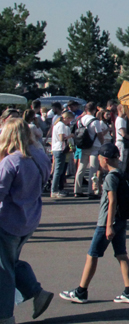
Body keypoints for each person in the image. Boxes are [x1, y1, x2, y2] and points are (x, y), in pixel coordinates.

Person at [60, 143, 129, 305]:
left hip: (106, 222)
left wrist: (108, 225)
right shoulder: (122, 175)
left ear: (105, 159)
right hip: (121, 220)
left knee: (92, 255)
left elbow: (112, 201)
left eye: (100, 159)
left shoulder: (110, 177)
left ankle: (81, 291)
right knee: (121, 254)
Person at [0, 118, 54, 322]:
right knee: (10, 262)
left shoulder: (11, 161)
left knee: (4, 270)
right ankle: (36, 292)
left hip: (7, 221)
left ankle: (5, 316)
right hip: (29, 219)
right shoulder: (40, 156)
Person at [74, 102, 108, 199]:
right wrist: (102, 144)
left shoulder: (80, 120)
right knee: (93, 169)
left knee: (81, 168)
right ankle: (92, 191)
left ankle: (77, 190)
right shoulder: (95, 121)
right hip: (94, 146)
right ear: (94, 110)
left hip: (84, 146)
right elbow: (99, 134)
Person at [50, 111, 75, 198]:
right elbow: (62, 138)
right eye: (70, 120)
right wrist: (70, 136)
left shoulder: (58, 124)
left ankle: (57, 189)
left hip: (58, 148)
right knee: (58, 171)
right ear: (67, 118)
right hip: (59, 148)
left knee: (59, 171)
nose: (70, 122)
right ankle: (54, 190)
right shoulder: (61, 125)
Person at [115, 105, 129, 174]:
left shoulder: (122, 120)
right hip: (121, 143)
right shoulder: (120, 120)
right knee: (121, 162)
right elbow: (124, 134)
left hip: (122, 143)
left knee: (124, 162)